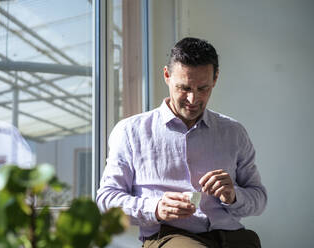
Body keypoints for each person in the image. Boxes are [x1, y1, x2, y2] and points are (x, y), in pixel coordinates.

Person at [96, 37, 267, 248]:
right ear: (167, 76)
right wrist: (155, 208)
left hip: (231, 236)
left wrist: (233, 196)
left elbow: (259, 199)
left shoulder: (234, 133)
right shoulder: (130, 132)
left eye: (203, 88)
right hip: (167, 236)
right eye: (184, 88)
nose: (193, 100)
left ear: (215, 79)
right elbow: (106, 200)